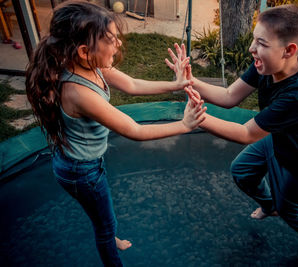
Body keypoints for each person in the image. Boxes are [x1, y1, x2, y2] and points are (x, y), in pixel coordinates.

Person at [25, 1, 205, 266]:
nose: (119, 44)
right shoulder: (79, 93)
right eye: (111, 40)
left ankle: (108, 232)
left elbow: (132, 85)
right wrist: (185, 125)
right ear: (85, 51)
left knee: (100, 214)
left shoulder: (90, 64)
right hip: (80, 171)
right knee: (105, 226)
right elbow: (134, 130)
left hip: (81, 164)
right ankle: (109, 239)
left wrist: (176, 85)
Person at [167, 4, 298, 262]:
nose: (251, 49)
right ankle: (270, 206)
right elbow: (229, 96)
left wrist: (196, 120)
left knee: (290, 209)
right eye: (254, 40)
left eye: (261, 43)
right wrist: (188, 80)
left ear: (289, 50)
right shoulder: (267, 65)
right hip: (278, 138)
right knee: (242, 171)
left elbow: (246, 133)